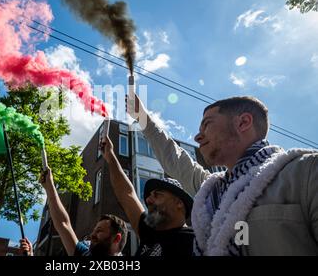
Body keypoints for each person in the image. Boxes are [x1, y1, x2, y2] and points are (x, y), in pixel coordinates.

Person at [127, 94, 318, 255]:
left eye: (207, 125)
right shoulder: (211, 193)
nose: (197, 136)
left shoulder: (306, 172)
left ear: (243, 122)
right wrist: (142, 117)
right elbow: (174, 159)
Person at [100, 137, 194, 256]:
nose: (148, 200)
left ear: (179, 203)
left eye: (157, 195)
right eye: (149, 196)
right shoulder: (149, 232)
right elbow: (126, 194)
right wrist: (110, 156)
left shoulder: (196, 242)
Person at [39, 166, 128, 256]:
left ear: (117, 238)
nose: (92, 235)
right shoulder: (84, 253)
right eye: (94, 231)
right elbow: (63, 223)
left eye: (99, 231)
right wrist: (49, 186)